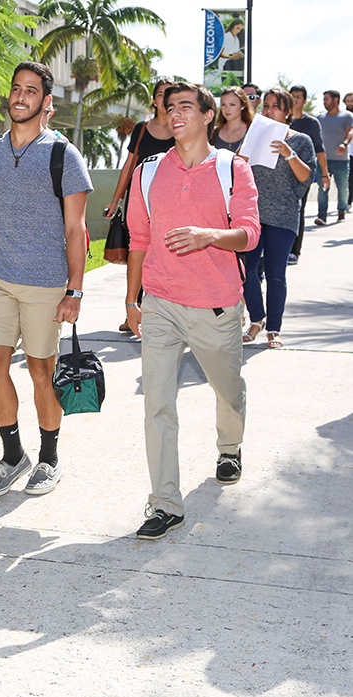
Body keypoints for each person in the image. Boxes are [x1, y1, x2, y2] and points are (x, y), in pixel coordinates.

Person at [124, 82, 260, 540]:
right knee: (158, 404)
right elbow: (139, 240)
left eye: (186, 106)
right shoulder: (147, 172)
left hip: (216, 303)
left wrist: (209, 235)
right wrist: (133, 300)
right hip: (161, 301)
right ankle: (165, 503)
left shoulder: (232, 168)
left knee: (228, 389)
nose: (174, 112)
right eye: (169, 106)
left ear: (208, 117)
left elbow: (250, 232)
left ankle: (229, 445)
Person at [0, 61, 93, 498]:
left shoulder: (62, 155)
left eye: (31, 91)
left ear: (46, 102)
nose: (20, 96)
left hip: (46, 282)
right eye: (16, 88)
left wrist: (74, 289)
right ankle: (13, 455)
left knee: (41, 372)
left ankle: (49, 458)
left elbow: (76, 228)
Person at [241, 88, 317, 349]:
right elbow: (238, 169)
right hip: (252, 214)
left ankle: (274, 328)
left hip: (283, 216)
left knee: (275, 274)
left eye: (275, 106)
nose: (269, 110)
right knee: (246, 270)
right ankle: (256, 319)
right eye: (266, 106)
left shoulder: (301, 140)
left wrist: (289, 153)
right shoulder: (253, 136)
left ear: (287, 112)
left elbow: (306, 177)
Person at [103, 78, 176, 333]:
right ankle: (133, 310)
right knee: (139, 254)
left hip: (170, 203)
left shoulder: (182, 128)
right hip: (138, 200)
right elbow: (129, 165)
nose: (164, 98)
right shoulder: (142, 128)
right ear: (154, 100)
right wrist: (116, 199)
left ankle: (160, 313)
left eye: (169, 94)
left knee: (164, 256)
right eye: (160, 94)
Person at [289, 86, 328, 263]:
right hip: (279, 175)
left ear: (304, 101)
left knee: (299, 209)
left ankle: (295, 250)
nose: (295, 99)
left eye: (298, 97)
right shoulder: (282, 121)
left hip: (302, 174)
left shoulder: (311, 123)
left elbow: (319, 150)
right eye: (292, 96)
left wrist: (325, 174)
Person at [315, 89, 353, 224]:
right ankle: (322, 215)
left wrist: (345, 144)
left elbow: (350, 131)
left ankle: (341, 212)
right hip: (323, 160)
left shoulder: (347, 116)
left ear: (336, 100)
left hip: (341, 161)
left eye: (327, 99)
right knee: (322, 188)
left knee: (343, 188)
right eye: (324, 99)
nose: (324, 102)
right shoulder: (320, 118)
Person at [212, 86, 251, 152]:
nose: (227, 109)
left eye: (232, 104)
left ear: (243, 105)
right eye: (223, 105)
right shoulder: (213, 133)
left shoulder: (252, 132)